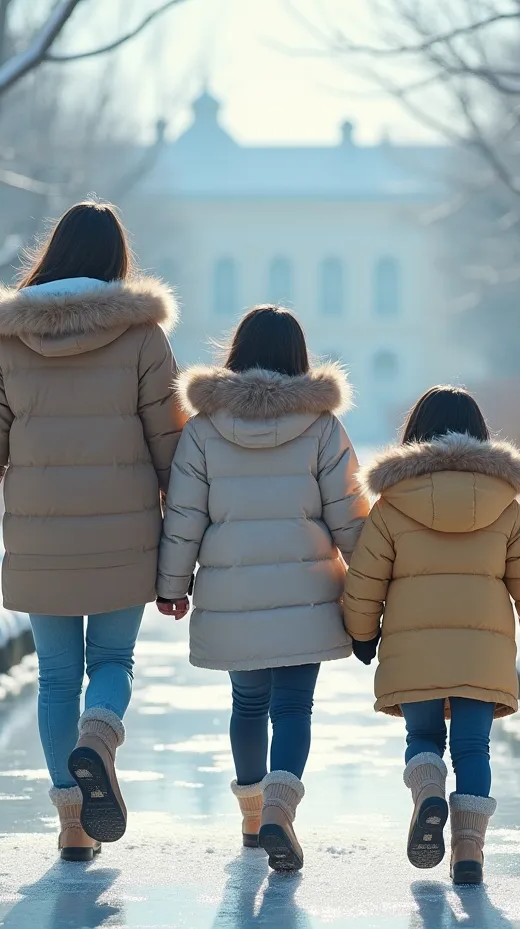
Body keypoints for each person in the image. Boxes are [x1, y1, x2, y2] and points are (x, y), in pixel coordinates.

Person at [0, 201, 185, 862]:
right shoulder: (142, 337)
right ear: (115, 260)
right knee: (111, 663)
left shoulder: (10, 339)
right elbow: (172, 445)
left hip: (40, 540)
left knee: (54, 679)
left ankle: (73, 824)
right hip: (125, 535)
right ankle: (97, 741)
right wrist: (189, 534)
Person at [155, 306, 368, 872]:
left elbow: (183, 515)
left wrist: (173, 585)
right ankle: (281, 806)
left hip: (232, 596)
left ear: (236, 354)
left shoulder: (202, 429)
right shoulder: (323, 427)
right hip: (308, 593)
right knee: (295, 706)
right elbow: (349, 517)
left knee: (248, 702)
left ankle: (253, 818)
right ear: (299, 358)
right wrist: (375, 586)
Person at [343, 385, 520, 884]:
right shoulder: (505, 507)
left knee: (422, 736)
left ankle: (428, 795)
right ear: (480, 436)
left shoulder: (393, 505)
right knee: (473, 748)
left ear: (414, 434)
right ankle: (469, 849)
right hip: (480, 655)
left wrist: (362, 634)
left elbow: (365, 580)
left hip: (412, 651)